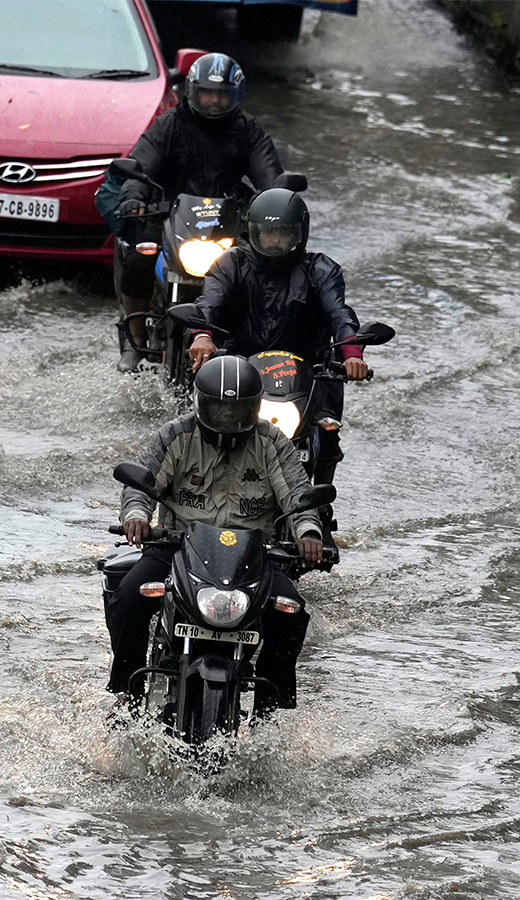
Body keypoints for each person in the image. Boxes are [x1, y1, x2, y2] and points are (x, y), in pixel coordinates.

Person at [107, 356, 324, 714]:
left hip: (252, 557)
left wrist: (309, 533)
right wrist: (136, 517)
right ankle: (126, 692)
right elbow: (141, 486)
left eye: (237, 409)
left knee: (291, 613)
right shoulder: (175, 435)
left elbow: (298, 496)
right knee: (129, 598)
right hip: (177, 548)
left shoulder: (272, 443)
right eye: (219, 408)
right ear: (200, 403)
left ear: (254, 407)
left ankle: (269, 711)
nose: (228, 417)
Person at [105, 52, 284, 373]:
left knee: (265, 271)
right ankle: (135, 339)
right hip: (168, 215)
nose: (214, 101)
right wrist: (135, 197)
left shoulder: (247, 130)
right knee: (139, 258)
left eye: (222, 94)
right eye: (207, 93)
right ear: (192, 91)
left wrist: (277, 203)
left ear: (236, 95)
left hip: (227, 220)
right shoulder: (170, 125)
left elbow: (269, 175)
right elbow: (141, 165)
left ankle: (257, 345)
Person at [187, 188, 369, 488]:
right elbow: (209, 302)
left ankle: (321, 509)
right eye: (267, 233)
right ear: (253, 232)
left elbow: (340, 313)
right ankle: (198, 491)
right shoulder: (231, 262)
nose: (274, 241)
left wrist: (351, 354)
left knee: (328, 429)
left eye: (283, 234)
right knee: (206, 425)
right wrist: (203, 335)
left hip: (307, 373)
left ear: (300, 233)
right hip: (240, 368)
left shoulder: (321, 270)